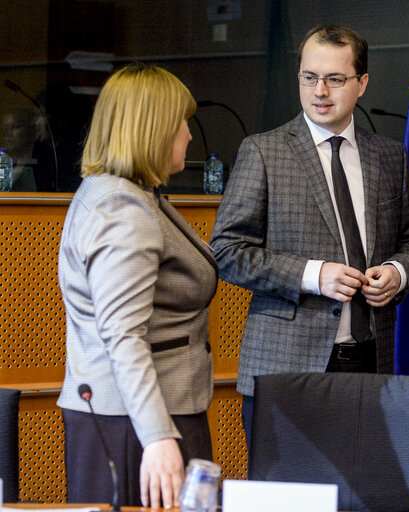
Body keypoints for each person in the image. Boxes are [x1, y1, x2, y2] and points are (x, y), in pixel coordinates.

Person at [209, 24, 409, 443]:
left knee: (360, 499)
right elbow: (226, 250)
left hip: (370, 360)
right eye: (309, 78)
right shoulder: (264, 151)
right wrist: (314, 275)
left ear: (362, 83)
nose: (320, 91)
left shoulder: (389, 156)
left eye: (335, 79)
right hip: (287, 365)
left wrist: (398, 272)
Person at [56, 64, 219, 509]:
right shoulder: (123, 210)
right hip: (138, 421)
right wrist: (159, 436)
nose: (188, 133)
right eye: (181, 123)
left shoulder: (125, 192)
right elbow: (123, 336)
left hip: (139, 413)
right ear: (153, 129)